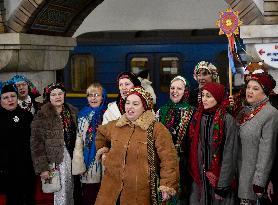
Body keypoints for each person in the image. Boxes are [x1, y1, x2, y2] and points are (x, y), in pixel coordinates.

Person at [94, 87, 179, 205]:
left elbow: (169, 160)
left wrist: (167, 185)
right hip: (110, 190)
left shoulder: (157, 129)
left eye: (135, 104)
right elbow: (101, 133)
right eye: (127, 103)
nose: (130, 107)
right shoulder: (116, 125)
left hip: (138, 193)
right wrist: (103, 151)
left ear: (144, 107)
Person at [189, 82, 238, 205]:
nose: (204, 99)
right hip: (200, 179)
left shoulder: (227, 120)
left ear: (218, 97)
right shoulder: (198, 117)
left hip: (219, 179)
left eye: (209, 96)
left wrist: (222, 186)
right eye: (203, 95)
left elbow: (230, 154)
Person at [30, 82, 78, 205]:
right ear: (48, 97)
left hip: (72, 158)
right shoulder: (42, 115)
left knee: (72, 191)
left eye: (60, 93)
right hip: (54, 161)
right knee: (58, 194)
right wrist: (42, 168)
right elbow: (37, 144)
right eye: (54, 94)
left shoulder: (72, 112)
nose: (58, 97)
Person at [236, 73, 278, 205]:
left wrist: (259, 182)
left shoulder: (270, 113)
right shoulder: (245, 111)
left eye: (255, 88)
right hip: (240, 176)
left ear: (264, 91)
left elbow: (267, 150)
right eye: (248, 87)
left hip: (253, 182)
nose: (250, 91)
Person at [156, 75, 195, 205]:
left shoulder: (193, 112)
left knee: (181, 197)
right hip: (164, 162)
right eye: (172, 88)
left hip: (184, 163)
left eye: (179, 88)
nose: (175, 91)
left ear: (186, 91)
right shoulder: (161, 111)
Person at [0, 83, 36, 205]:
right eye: (5, 97)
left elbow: (35, 141)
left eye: (13, 96)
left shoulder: (27, 115)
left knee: (29, 198)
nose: (10, 100)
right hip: (7, 170)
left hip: (27, 168)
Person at [72, 83, 107, 205]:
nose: (93, 98)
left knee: (105, 194)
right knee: (89, 195)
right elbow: (79, 141)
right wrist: (79, 163)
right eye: (90, 95)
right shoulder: (83, 114)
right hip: (88, 161)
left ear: (102, 97)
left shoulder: (107, 113)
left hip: (105, 160)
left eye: (97, 95)